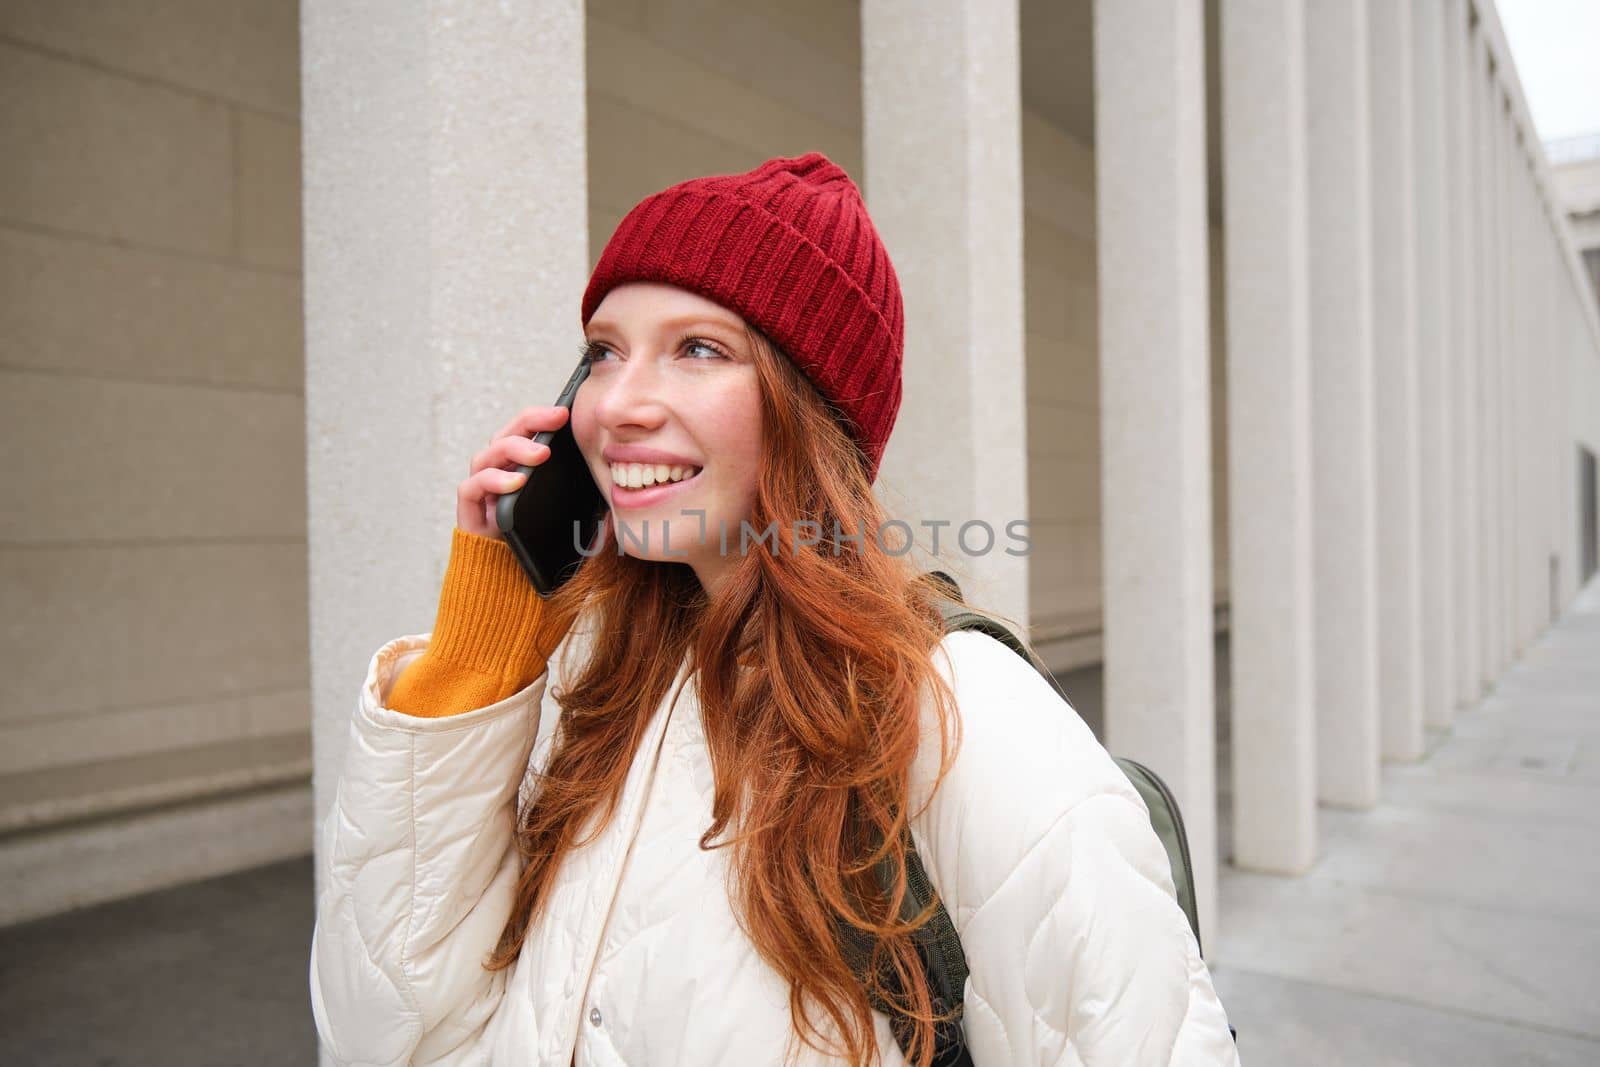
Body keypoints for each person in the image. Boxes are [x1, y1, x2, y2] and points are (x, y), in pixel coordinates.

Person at [308, 153, 1240, 1066]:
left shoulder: (961, 715)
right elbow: (384, 1038)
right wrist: (477, 664)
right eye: (603, 351)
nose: (617, 404)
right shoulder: (605, 691)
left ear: (812, 412)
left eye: (698, 349)